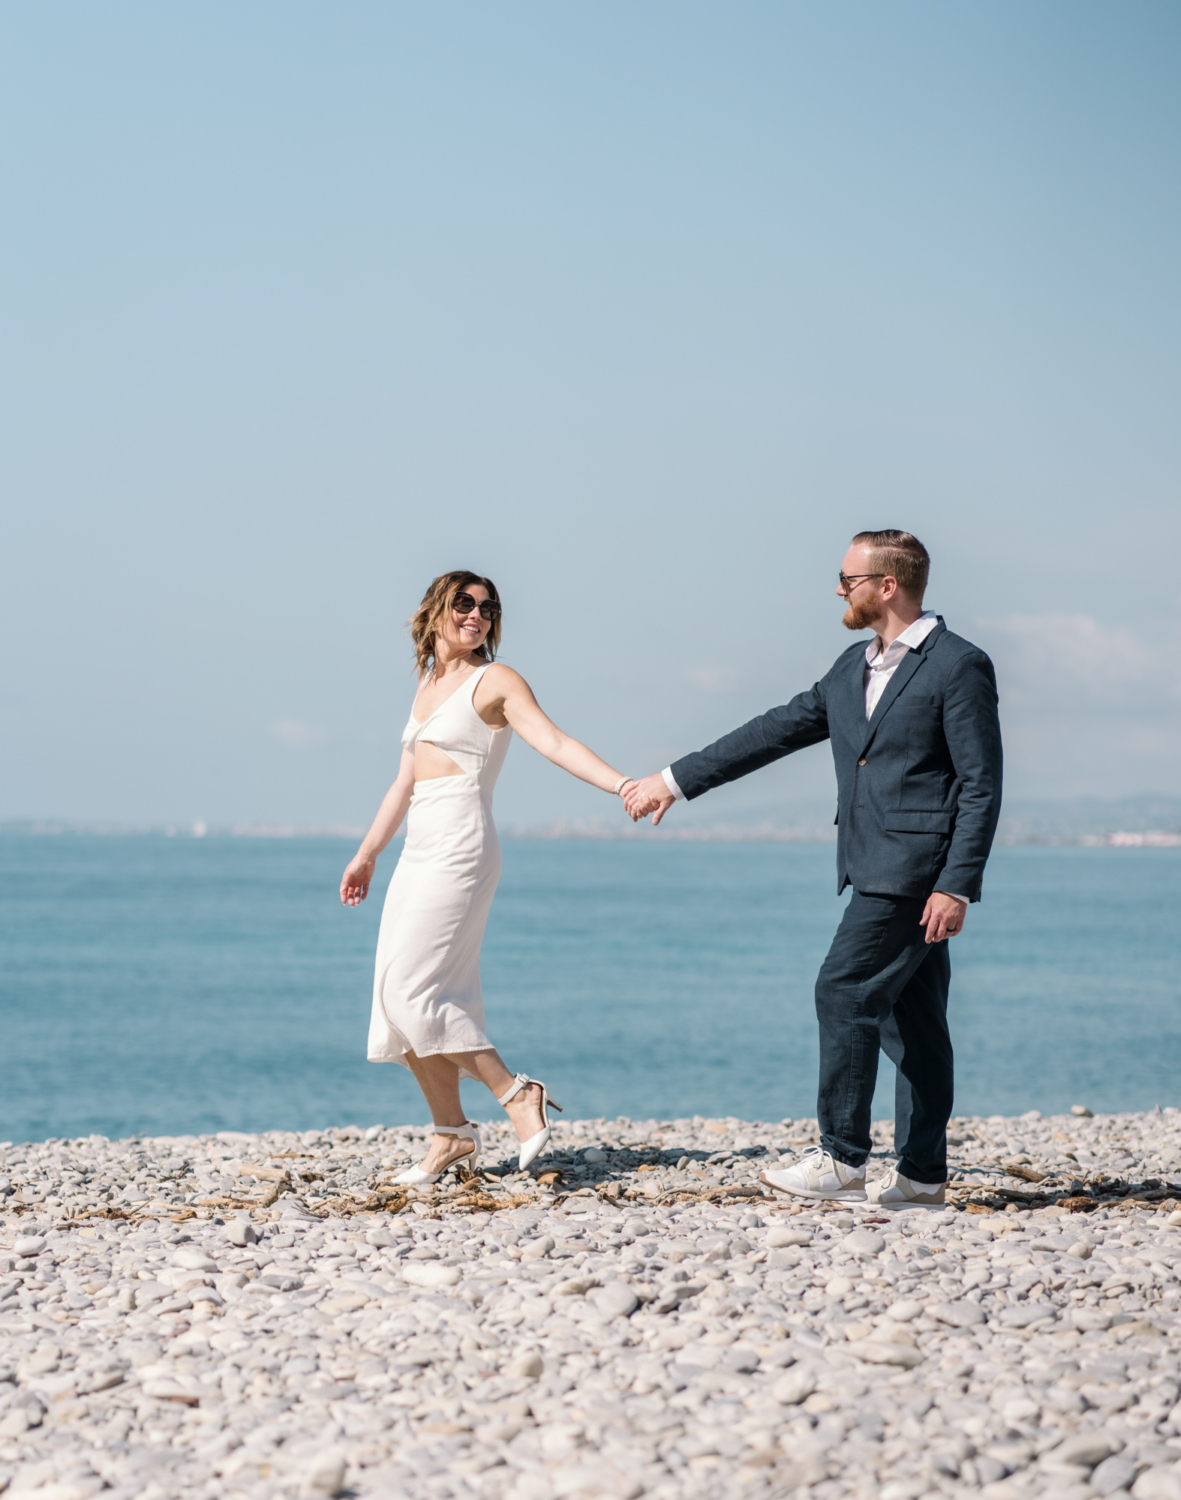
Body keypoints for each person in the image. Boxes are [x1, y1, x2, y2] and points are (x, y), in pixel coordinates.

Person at [625, 531, 1002, 1208]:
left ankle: (840, 1161)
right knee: (913, 1025)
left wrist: (955, 883)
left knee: (843, 990)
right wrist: (671, 780)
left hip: (914, 872)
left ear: (886, 586)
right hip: (870, 866)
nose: (837, 590)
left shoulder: (957, 665)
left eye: (846, 578)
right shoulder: (849, 668)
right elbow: (773, 730)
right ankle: (921, 1176)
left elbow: (980, 783)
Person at [340, 570, 637, 1186]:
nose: (477, 615)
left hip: (460, 843)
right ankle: (450, 1135)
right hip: (418, 845)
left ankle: (515, 1092)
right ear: (436, 610)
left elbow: (554, 741)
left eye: (489, 608)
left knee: (412, 992)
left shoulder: (494, 680)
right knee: (396, 1001)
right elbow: (404, 782)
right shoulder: (428, 682)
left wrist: (623, 785)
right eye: (465, 604)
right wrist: (367, 853)